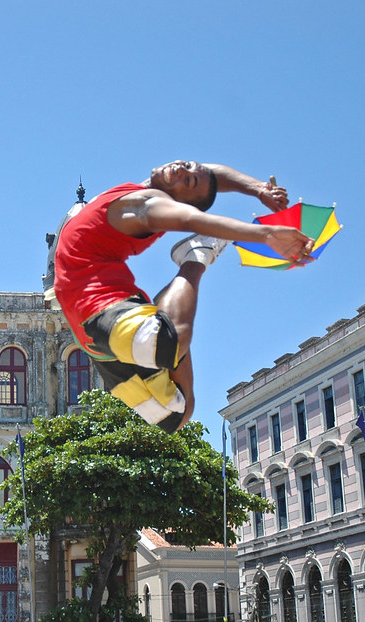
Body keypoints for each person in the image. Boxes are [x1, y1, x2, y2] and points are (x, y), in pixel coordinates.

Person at [52, 162, 314, 432]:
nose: (179, 170)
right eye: (188, 166)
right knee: (168, 342)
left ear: (178, 202)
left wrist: (267, 234)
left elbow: (190, 219)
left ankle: (185, 276)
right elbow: (211, 173)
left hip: (97, 320)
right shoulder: (144, 189)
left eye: (187, 182)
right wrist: (257, 188)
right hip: (96, 313)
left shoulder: (151, 202)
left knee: (176, 415)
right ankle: (196, 258)